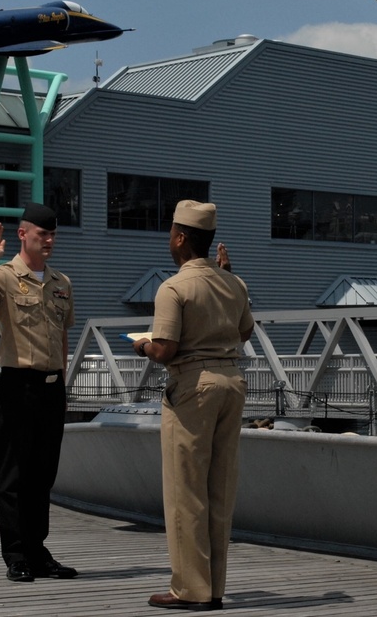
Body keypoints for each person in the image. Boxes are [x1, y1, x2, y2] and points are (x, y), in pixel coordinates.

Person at [134, 200, 254, 612]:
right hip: (231, 383)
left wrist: (142, 345)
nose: (169, 239)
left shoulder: (174, 287)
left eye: (171, 233)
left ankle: (190, 589)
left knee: (185, 490)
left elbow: (165, 349)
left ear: (181, 238)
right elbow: (244, 330)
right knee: (220, 489)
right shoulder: (233, 283)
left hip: (193, 387)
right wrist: (228, 276)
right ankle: (214, 588)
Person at [0, 202, 78, 583]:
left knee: (43, 476)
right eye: (42, 234)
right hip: (16, 389)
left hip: (51, 390)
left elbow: (63, 337)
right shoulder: (4, 277)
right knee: (13, 477)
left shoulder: (61, 282)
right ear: (23, 234)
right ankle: (17, 554)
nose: (49, 240)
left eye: (53, 234)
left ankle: (38, 551)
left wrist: (62, 383)